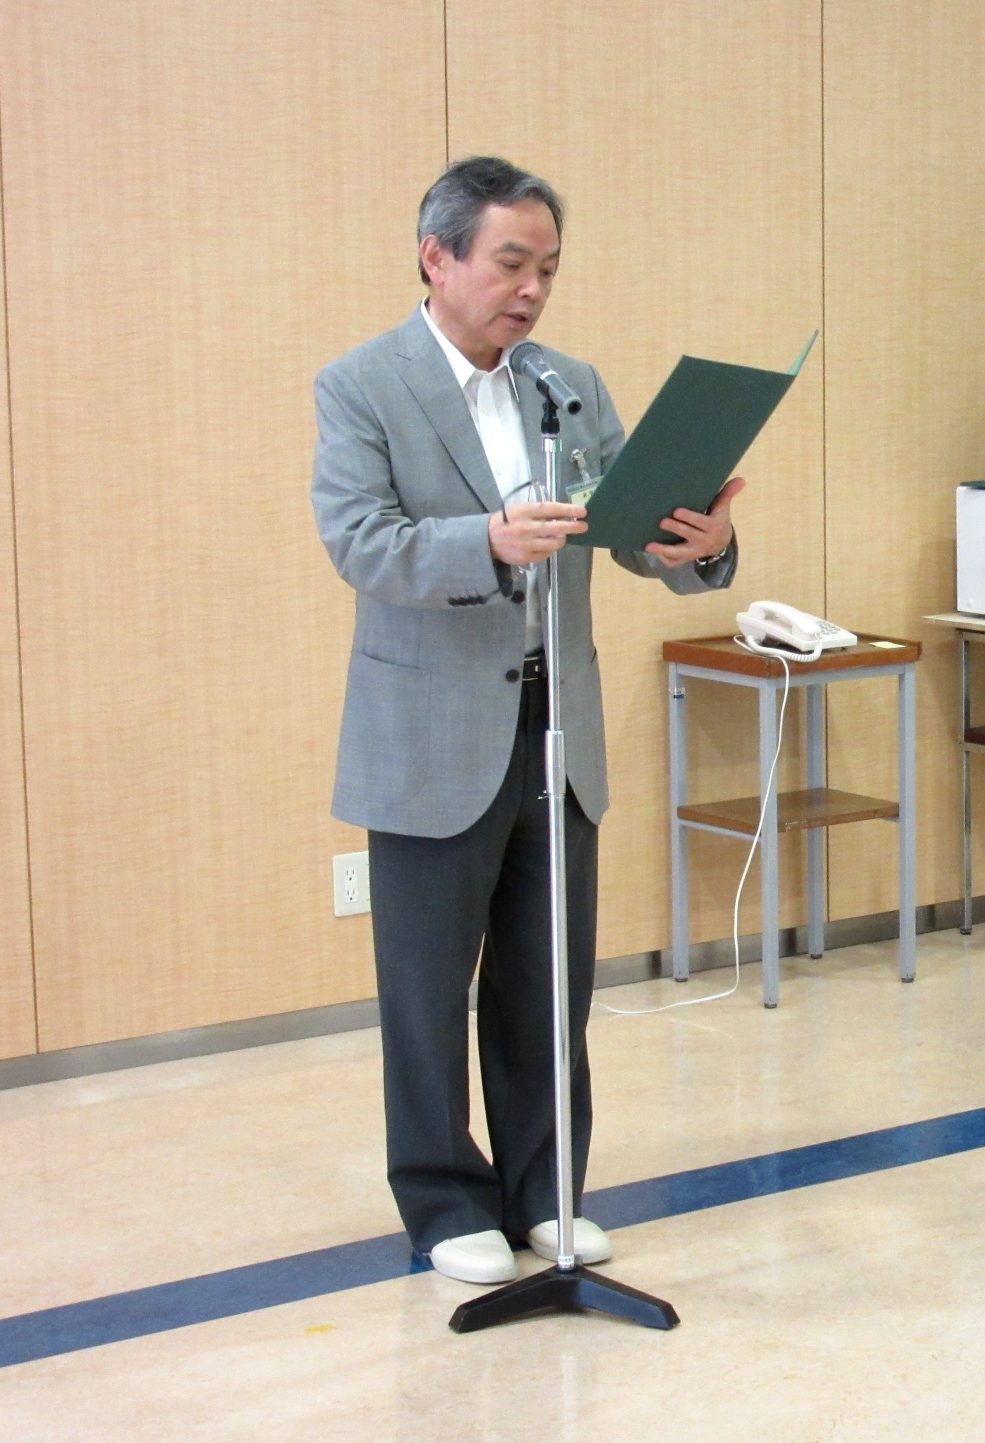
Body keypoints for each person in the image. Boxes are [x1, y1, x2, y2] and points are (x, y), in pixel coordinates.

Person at [311, 157, 741, 1285]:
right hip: (429, 731)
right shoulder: (362, 386)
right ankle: (443, 1201)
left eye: (548, 268)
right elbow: (361, 544)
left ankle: (547, 1193)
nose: (533, 289)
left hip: (559, 720)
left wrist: (699, 546)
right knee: (426, 990)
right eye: (511, 263)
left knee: (548, 980)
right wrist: (488, 545)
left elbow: (629, 528)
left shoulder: (567, 383)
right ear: (437, 256)